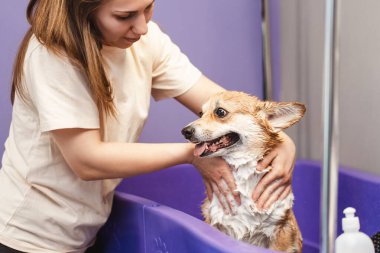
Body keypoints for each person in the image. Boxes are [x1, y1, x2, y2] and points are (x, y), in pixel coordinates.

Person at [0, 0, 297, 252]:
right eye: (124, 16)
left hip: (85, 229)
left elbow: (222, 106)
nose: (142, 27)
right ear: (83, 10)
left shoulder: (145, 40)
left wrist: (282, 140)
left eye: (149, 7)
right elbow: (87, 160)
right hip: (26, 236)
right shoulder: (51, 56)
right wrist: (191, 153)